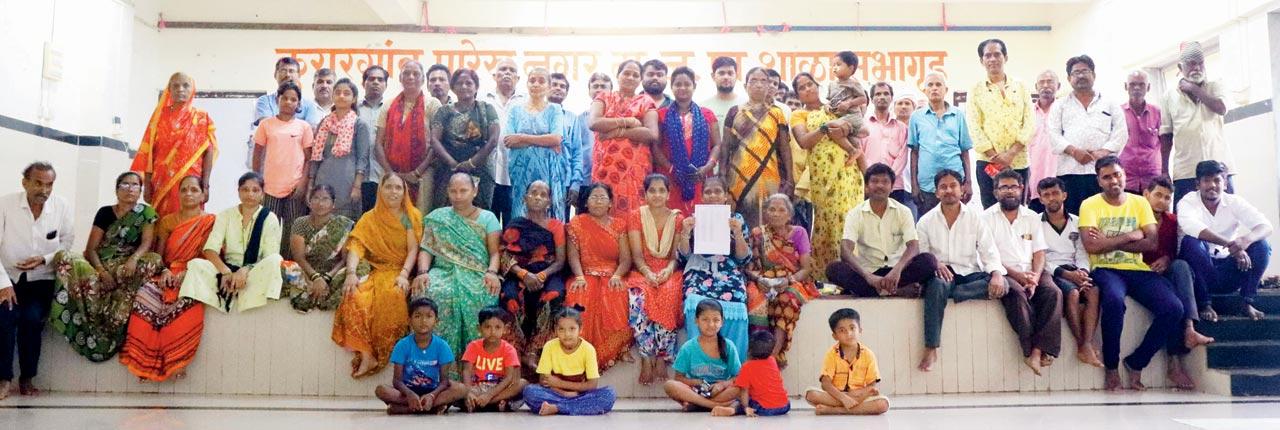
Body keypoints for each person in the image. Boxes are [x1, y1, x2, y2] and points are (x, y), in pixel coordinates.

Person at [1077, 156, 1186, 391]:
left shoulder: (1139, 202)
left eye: (1117, 174)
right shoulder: (1089, 204)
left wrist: (1110, 241)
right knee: (1114, 303)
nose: (1113, 180)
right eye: (1107, 177)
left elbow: (1151, 242)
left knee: (1174, 308)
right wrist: (1129, 235)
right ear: (1099, 181)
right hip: (1105, 269)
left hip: (1137, 269)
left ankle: (1137, 362)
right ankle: (1112, 367)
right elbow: (1092, 247)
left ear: (1124, 175)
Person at [50, 172, 162, 362]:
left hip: (127, 266)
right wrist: (101, 272)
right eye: (125, 184)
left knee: (154, 259)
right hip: (101, 264)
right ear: (117, 190)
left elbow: (146, 244)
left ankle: (119, 301)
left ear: (141, 191)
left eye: (135, 185)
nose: (130, 189)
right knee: (64, 256)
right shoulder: (105, 212)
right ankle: (92, 305)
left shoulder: (146, 213)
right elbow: (91, 249)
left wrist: (133, 259)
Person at [916, 169, 1013, 371]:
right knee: (937, 287)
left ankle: (957, 293)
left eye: (953, 186)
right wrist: (935, 263)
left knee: (1004, 282)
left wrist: (995, 274)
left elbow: (989, 251)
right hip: (942, 275)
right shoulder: (925, 221)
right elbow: (921, 255)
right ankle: (931, 347)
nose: (948, 190)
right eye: (943, 187)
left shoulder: (976, 219)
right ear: (936, 193)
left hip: (969, 274)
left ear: (962, 190)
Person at [120, 175, 212, 381]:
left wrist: (190, 272)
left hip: (195, 275)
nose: (189, 194)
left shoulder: (210, 222)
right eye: (184, 190)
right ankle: (144, 362)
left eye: (194, 190)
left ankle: (177, 361)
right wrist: (164, 271)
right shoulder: (168, 221)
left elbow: (213, 256)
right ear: (178, 194)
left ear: (203, 195)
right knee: (145, 297)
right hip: (167, 273)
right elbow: (159, 255)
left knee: (185, 304)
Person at [332, 174, 423, 378]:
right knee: (354, 295)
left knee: (393, 295)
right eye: (388, 187)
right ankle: (366, 354)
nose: (393, 192)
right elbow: (357, 245)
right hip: (376, 271)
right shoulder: (370, 218)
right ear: (380, 190)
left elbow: (413, 250)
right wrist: (351, 273)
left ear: (404, 191)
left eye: (398, 188)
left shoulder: (411, 215)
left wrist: (404, 275)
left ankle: (383, 352)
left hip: (401, 272)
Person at [0, 162, 74, 398]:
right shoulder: (5, 204)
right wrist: (3, 284)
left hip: (41, 278)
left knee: (32, 320)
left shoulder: (60, 206)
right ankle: (3, 379)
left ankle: (27, 378)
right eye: (38, 183)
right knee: (5, 318)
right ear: (25, 183)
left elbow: (67, 241)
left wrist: (44, 259)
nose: (44, 190)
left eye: (49, 184)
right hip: (8, 278)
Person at [982, 169, 1063, 375]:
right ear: (995, 192)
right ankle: (1029, 350)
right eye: (1004, 187)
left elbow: (1039, 252)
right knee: (1017, 295)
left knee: (1053, 292)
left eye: (1014, 187)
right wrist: (1017, 276)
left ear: (1022, 190)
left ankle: (1037, 352)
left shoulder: (1032, 217)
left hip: (1032, 270)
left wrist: (1035, 277)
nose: (1009, 191)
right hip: (1003, 272)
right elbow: (988, 255)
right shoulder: (985, 218)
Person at [180, 172, 293, 314]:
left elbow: (270, 255)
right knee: (196, 264)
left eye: (255, 190)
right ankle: (219, 301)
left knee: (275, 260)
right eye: (245, 189)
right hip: (226, 272)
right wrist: (226, 272)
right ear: (238, 192)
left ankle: (247, 300)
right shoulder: (225, 215)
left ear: (262, 194)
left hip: (254, 272)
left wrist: (244, 270)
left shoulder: (269, 218)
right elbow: (210, 249)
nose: (250, 194)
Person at [417, 172, 503, 357]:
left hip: (477, 273)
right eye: (454, 191)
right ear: (447, 192)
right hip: (443, 271)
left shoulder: (488, 218)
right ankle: (433, 360)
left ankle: (475, 361)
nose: (458, 196)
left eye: (463, 190)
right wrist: (423, 272)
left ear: (474, 191)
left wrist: (492, 272)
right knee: (429, 291)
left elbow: (495, 253)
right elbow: (426, 249)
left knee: (484, 294)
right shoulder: (437, 217)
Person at [1142, 176, 1213, 390]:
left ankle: (1190, 328)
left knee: (1181, 267)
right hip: (1142, 274)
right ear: (1146, 195)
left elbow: (1180, 251)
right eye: (1158, 195)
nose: (1162, 201)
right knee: (1173, 303)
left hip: (1169, 272)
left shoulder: (1174, 221)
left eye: (1167, 197)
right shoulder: (1134, 217)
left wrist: (1168, 259)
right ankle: (1174, 363)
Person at [825, 163, 939, 297]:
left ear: (891, 188)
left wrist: (897, 270)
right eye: (874, 181)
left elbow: (913, 246)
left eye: (885, 182)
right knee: (833, 269)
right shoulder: (855, 213)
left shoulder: (903, 211)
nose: (880, 185)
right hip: (869, 274)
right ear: (867, 187)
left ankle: (873, 292)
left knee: (929, 261)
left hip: (899, 274)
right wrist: (868, 276)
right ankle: (896, 292)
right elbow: (845, 249)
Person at [1179, 160, 1273, 321]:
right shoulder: (1188, 201)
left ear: (1225, 184)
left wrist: (1245, 240)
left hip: (1230, 269)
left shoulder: (1234, 202)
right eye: (1206, 180)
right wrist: (1233, 246)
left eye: (1217, 180)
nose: (1212, 185)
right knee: (1191, 243)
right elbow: (1190, 226)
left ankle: (1246, 301)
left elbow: (1266, 226)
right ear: (1197, 184)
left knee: (1262, 245)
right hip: (1201, 273)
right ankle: (1205, 304)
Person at [791, 71, 862, 277]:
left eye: (810, 84)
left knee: (848, 219)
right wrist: (825, 128)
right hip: (822, 175)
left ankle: (851, 274)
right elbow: (804, 142)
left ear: (817, 85)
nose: (807, 89)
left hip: (848, 171)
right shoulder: (799, 115)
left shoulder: (835, 107)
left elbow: (857, 133)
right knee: (827, 221)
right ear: (798, 95)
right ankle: (826, 274)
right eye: (801, 88)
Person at [678, 176, 752, 358]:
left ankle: (732, 364)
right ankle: (697, 361)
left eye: (718, 191)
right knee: (693, 300)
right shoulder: (693, 219)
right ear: (702, 196)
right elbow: (683, 256)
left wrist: (737, 233)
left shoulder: (736, 219)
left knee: (738, 300)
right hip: (700, 271)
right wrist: (686, 232)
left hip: (728, 272)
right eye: (708, 192)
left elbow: (743, 258)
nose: (713, 195)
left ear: (726, 195)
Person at [745, 194, 820, 367]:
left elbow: (806, 268)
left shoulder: (799, 233)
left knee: (787, 298)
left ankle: (774, 353)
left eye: (781, 210)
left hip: (792, 281)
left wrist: (788, 280)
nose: (776, 214)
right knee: (755, 297)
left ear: (789, 215)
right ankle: (757, 351)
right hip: (763, 280)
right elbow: (748, 267)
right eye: (772, 209)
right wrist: (758, 279)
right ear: (765, 212)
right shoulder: (758, 234)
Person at [565, 183, 633, 372]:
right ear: (586, 202)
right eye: (593, 197)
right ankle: (578, 353)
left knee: (616, 296)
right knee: (580, 297)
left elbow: (626, 259)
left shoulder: (619, 225)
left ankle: (615, 350)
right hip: (584, 274)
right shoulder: (577, 223)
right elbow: (573, 256)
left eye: (602, 197)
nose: (597, 201)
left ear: (610, 203)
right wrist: (579, 276)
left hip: (612, 275)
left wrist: (618, 275)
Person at [1049, 55, 1128, 215]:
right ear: (1068, 78)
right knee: (1073, 218)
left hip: (1102, 172)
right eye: (1075, 73)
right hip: (1069, 172)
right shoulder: (1059, 105)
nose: (1080, 75)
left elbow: (1121, 133)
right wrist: (1073, 151)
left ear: (1094, 74)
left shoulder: (1110, 103)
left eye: (1085, 71)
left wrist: (1103, 153)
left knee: (1104, 217)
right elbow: (1053, 134)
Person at [626, 175, 686, 385]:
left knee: (669, 293)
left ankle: (662, 357)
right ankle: (646, 357)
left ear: (669, 194)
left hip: (669, 270)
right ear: (645, 194)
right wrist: (648, 273)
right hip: (642, 271)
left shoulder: (677, 219)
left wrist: (668, 270)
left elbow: (675, 257)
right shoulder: (635, 216)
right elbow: (637, 255)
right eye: (652, 190)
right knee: (637, 298)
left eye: (662, 190)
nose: (657, 195)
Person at [1036, 177, 1102, 367]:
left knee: (1093, 291)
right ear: (1040, 199)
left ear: (1064, 195)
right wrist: (1066, 275)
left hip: (1075, 268)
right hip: (1053, 271)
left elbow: (1082, 251)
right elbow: (1039, 256)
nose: (1051, 198)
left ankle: (1087, 343)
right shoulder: (1035, 223)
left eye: (1055, 193)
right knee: (1072, 293)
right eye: (1046, 195)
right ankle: (1082, 344)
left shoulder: (1078, 221)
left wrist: (1082, 271)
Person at [132, 72, 217, 218]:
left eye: (185, 85)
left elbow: (208, 151)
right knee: (161, 222)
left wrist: (205, 184)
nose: (180, 89)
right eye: (176, 85)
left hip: (192, 182)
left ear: (193, 89)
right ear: (169, 90)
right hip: (161, 181)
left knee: (190, 220)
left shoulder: (202, 117)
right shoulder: (159, 116)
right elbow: (148, 152)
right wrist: (147, 184)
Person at [1161, 41, 1234, 205]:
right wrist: (1164, 170)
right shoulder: (1169, 96)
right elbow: (1166, 135)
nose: (1197, 68)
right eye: (1191, 64)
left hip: (1219, 169)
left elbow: (1221, 108)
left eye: (1200, 63)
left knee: (1227, 219)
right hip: (1186, 171)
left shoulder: (1216, 85)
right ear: (1180, 68)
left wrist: (1194, 89)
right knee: (1186, 225)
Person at [498, 181, 566, 358]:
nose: (538, 197)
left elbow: (560, 261)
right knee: (510, 297)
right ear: (524, 198)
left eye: (543, 195)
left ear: (549, 202)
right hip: (520, 272)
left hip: (548, 273)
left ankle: (535, 350)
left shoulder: (557, 226)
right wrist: (523, 274)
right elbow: (504, 255)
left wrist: (540, 276)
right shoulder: (515, 224)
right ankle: (515, 350)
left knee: (553, 296)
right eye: (534, 193)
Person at [968, 39, 1036, 209]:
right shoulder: (976, 89)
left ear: (1005, 57)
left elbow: (1029, 121)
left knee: (1016, 209)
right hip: (988, 162)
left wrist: (1011, 154)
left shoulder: (1020, 87)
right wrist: (996, 156)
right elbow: (974, 126)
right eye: (987, 55)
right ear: (981, 61)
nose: (992, 59)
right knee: (991, 211)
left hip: (1018, 160)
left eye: (997, 54)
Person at [374, 297, 469, 415]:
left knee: (461, 389)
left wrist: (432, 395)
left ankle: (407, 409)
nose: (423, 321)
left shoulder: (442, 346)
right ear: (410, 320)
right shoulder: (402, 345)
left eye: (429, 316)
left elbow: (444, 381)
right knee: (381, 390)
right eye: (418, 316)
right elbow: (397, 381)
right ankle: (429, 408)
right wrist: (410, 395)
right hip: (408, 391)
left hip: (433, 391)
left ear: (436, 321)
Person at [724, 67, 793, 227]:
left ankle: (765, 252)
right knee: (738, 220)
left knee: (768, 219)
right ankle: (742, 252)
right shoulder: (735, 112)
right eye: (753, 81)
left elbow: (784, 148)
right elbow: (725, 147)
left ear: (770, 86)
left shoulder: (777, 113)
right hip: (737, 176)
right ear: (745, 85)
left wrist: (790, 179)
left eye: (763, 81)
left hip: (768, 176)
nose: (759, 85)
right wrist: (722, 174)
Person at [589, 60, 659, 216]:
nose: (630, 77)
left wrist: (616, 133)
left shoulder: (646, 102)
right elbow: (594, 123)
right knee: (603, 212)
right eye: (626, 73)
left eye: (635, 75)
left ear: (640, 80)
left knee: (634, 215)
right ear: (618, 75)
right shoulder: (603, 97)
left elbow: (652, 134)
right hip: (604, 168)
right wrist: (628, 122)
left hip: (635, 170)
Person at [430, 68, 502, 211]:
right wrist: (453, 164)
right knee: (446, 211)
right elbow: (434, 140)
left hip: (480, 168)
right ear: (453, 87)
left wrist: (471, 163)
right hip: (448, 168)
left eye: (469, 83)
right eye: (459, 83)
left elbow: (493, 139)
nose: (464, 86)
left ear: (476, 87)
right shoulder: (444, 111)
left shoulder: (486, 109)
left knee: (479, 214)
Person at [522, 307, 617, 416]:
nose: (567, 334)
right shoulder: (550, 346)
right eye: (561, 329)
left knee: (609, 394)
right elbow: (544, 380)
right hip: (555, 393)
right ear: (555, 330)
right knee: (530, 392)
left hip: (580, 395)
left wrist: (560, 383)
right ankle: (573, 407)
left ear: (580, 329)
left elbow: (592, 385)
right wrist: (564, 393)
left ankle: (557, 408)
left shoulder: (588, 349)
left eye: (572, 329)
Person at [252, 81, 313, 249]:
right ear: (277, 100)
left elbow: (310, 159)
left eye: (293, 99)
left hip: (294, 188)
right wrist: (257, 183)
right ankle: (268, 267)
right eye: (284, 98)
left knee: (292, 232)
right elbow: (257, 154)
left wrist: (303, 183)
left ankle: (289, 269)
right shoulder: (266, 124)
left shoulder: (304, 127)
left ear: (299, 103)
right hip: (269, 188)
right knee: (267, 230)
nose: (288, 102)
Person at [288, 184, 366, 313]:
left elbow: (344, 260)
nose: (320, 203)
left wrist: (326, 277)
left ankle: (324, 293)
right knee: (282, 267)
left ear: (333, 203)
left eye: (325, 199)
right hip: (306, 272)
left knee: (360, 267)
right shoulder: (300, 223)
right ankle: (313, 290)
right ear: (310, 201)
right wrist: (315, 277)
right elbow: (299, 258)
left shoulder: (344, 224)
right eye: (316, 198)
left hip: (332, 273)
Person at [377, 60, 444, 210]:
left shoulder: (433, 105)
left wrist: (417, 172)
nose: (411, 77)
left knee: (419, 218)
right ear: (400, 79)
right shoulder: (388, 105)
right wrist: (391, 174)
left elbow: (436, 144)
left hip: (422, 175)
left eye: (416, 74)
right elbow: (378, 144)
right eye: (406, 73)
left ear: (423, 79)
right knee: (388, 217)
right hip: (390, 173)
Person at [506, 67, 568, 220]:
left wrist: (522, 137)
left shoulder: (555, 109)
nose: (536, 84)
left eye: (541, 81)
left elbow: (555, 139)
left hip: (548, 170)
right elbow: (509, 141)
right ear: (526, 84)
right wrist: (543, 140)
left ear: (548, 86)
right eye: (532, 80)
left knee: (546, 213)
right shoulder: (515, 111)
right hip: (521, 170)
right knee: (521, 211)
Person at [657, 67, 721, 214]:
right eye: (678, 84)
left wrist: (707, 167)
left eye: (687, 84)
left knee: (700, 221)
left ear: (694, 86)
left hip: (700, 176)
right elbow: (656, 147)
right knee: (673, 220)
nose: (682, 88)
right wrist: (672, 168)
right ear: (671, 87)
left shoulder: (707, 114)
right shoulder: (661, 114)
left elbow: (717, 144)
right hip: (671, 177)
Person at [803, 308, 889, 416]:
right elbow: (825, 384)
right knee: (811, 394)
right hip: (836, 395)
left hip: (859, 395)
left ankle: (834, 410)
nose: (849, 333)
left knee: (882, 404)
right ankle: (851, 407)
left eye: (852, 328)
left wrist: (858, 395)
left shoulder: (868, 354)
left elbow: (871, 385)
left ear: (860, 330)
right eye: (842, 330)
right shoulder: (832, 354)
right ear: (835, 336)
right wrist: (843, 398)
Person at [909, 73, 974, 215]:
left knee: (957, 227)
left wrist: (968, 182)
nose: (934, 88)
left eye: (938, 85)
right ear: (924, 90)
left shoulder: (958, 115)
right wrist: (914, 185)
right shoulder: (916, 117)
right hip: (927, 185)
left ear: (946, 90)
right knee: (928, 230)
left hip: (955, 184)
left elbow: (964, 151)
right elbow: (914, 152)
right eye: (930, 85)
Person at [662, 299, 742, 412]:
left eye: (716, 320)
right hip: (695, 391)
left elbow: (738, 377)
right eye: (705, 320)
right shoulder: (688, 347)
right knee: (670, 385)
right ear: (696, 321)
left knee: (741, 387)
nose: (711, 324)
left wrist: (723, 384)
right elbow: (678, 378)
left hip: (720, 392)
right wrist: (697, 383)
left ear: (722, 322)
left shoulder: (729, 346)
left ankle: (697, 405)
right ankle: (710, 405)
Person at [310, 78, 371, 219]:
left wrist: (357, 186)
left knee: (344, 225)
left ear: (354, 98)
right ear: (333, 96)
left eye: (346, 93)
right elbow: (315, 157)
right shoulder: (324, 124)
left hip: (347, 184)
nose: (341, 96)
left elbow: (363, 158)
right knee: (321, 222)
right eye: (337, 92)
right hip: (323, 181)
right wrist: (310, 184)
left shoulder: (359, 125)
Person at [485, 58, 528, 225]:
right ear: (495, 76)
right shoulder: (484, 99)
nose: (507, 73)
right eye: (503, 69)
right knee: (490, 224)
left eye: (511, 70)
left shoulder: (525, 101)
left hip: (516, 175)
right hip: (489, 174)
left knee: (514, 225)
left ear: (517, 78)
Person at [460, 306, 528, 412]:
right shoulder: (473, 346)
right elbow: (466, 371)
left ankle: (485, 403)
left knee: (522, 383)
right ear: (479, 328)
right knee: (456, 389)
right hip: (477, 388)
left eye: (497, 327)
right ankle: (486, 402)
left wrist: (489, 396)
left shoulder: (509, 349)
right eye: (487, 327)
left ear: (505, 329)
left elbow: (509, 378)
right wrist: (469, 393)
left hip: (499, 388)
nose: (492, 331)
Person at [712, 331, 789, 417]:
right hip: (785, 406)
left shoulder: (747, 367)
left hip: (765, 409)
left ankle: (732, 410)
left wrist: (746, 407)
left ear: (750, 349)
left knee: (739, 400)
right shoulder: (772, 361)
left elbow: (743, 391)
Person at [863, 82, 914, 214]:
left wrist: (888, 180)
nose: (882, 97)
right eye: (878, 94)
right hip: (869, 186)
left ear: (891, 98)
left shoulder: (901, 128)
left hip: (895, 187)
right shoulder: (863, 126)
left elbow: (902, 157)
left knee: (894, 229)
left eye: (886, 94)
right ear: (872, 99)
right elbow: (860, 154)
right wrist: (869, 180)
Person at [549, 73, 588, 211]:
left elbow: (577, 153)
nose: (558, 88)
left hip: (564, 181)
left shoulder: (572, 118)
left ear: (566, 93)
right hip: (538, 181)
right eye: (554, 85)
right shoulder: (534, 115)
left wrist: (575, 183)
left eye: (563, 86)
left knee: (560, 226)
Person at [573, 73, 613, 204]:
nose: (599, 89)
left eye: (603, 86)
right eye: (595, 86)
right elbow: (576, 152)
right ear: (589, 91)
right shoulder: (579, 120)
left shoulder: (616, 118)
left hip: (612, 179)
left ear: (611, 91)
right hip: (586, 181)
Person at [1120, 71, 1162, 194]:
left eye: (1141, 84)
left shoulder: (1157, 112)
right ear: (1126, 86)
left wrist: (1164, 172)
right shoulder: (1118, 113)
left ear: (1148, 87)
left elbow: (1165, 143)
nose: (1136, 88)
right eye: (1132, 84)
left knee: (1152, 213)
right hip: (1126, 178)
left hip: (1152, 179)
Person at [252, 57, 323, 128]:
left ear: (299, 76)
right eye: (283, 71)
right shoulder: (265, 101)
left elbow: (310, 131)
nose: (288, 75)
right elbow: (267, 128)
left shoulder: (309, 105)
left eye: (291, 71)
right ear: (275, 75)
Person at [1027, 70, 1062, 213]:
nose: (1045, 85)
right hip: (1033, 182)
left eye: (1050, 82)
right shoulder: (1027, 113)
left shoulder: (1064, 110)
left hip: (1060, 181)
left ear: (1058, 86)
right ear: (1036, 86)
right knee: (1034, 228)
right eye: (1042, 82)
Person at [358, 65, 390, 213]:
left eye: (380, 79)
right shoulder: (353, 109)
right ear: (364, 83)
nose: (375, 82)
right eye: (371, 79)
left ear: (386, 85)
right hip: (356, 180)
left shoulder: (392, 110)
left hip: (383, 176)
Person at [824, 51, 868, 137]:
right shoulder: (831, 85)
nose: (835, 68)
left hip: (852, 116)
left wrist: (849, 103)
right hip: (838, 117)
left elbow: (863, 99)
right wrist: (827, 106)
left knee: (831, 126)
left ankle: (856, 131)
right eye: (834, 65)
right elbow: (829, 101)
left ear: (851, 68)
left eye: (838, 64)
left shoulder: (854, 84)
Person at [701, 56, 747, 121]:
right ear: (713, 76)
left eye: (730, 73)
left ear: (736, 76)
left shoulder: (746, 105)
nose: (726, 77)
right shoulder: (703, 107)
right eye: (721, 73)